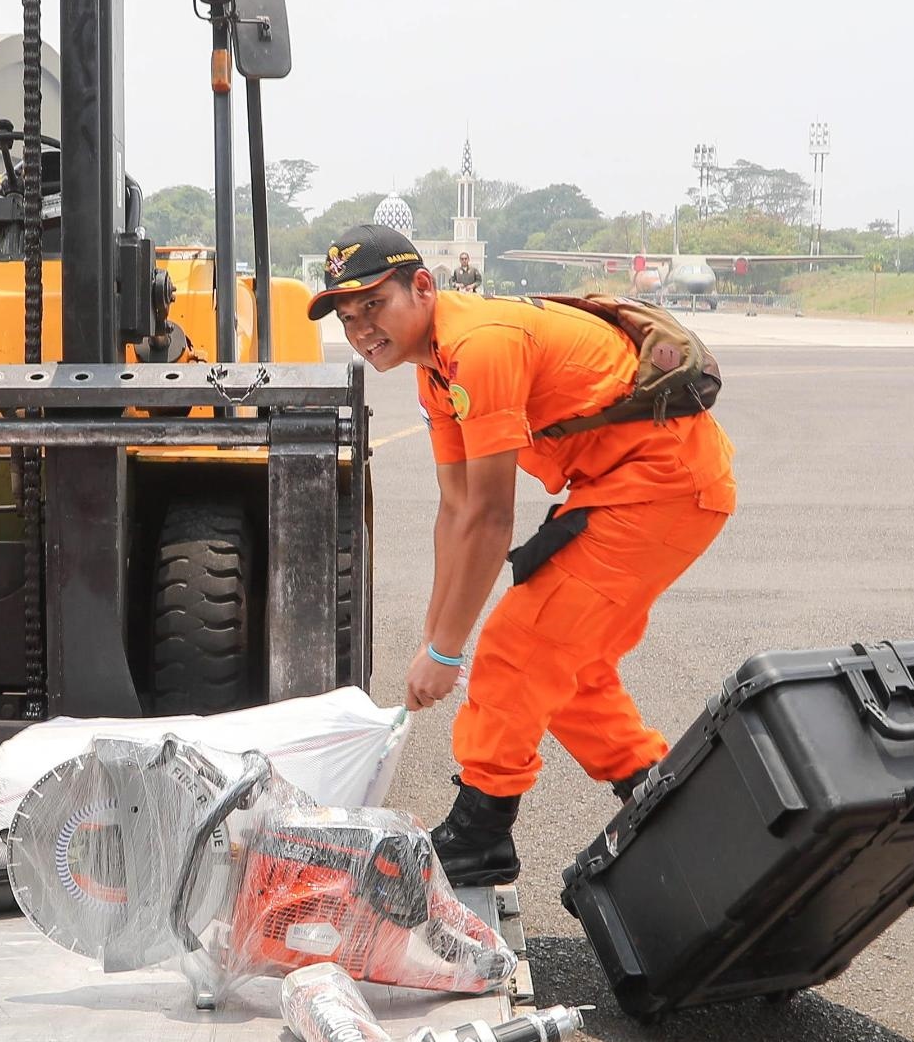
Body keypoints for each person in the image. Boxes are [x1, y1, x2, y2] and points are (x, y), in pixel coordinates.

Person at [313, 222, 738, 886]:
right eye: (347, 315)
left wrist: (450, 653)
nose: (363, 327)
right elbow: (454, 508)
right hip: (619, 486)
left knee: (518, 646)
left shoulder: (478, 347)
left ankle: (480, 833)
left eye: (375, 304)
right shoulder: (436, 371)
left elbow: (490, 516)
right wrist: (435, 634)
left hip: (664, 485)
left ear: (422, 286)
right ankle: (661, 801)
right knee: (566, 669)